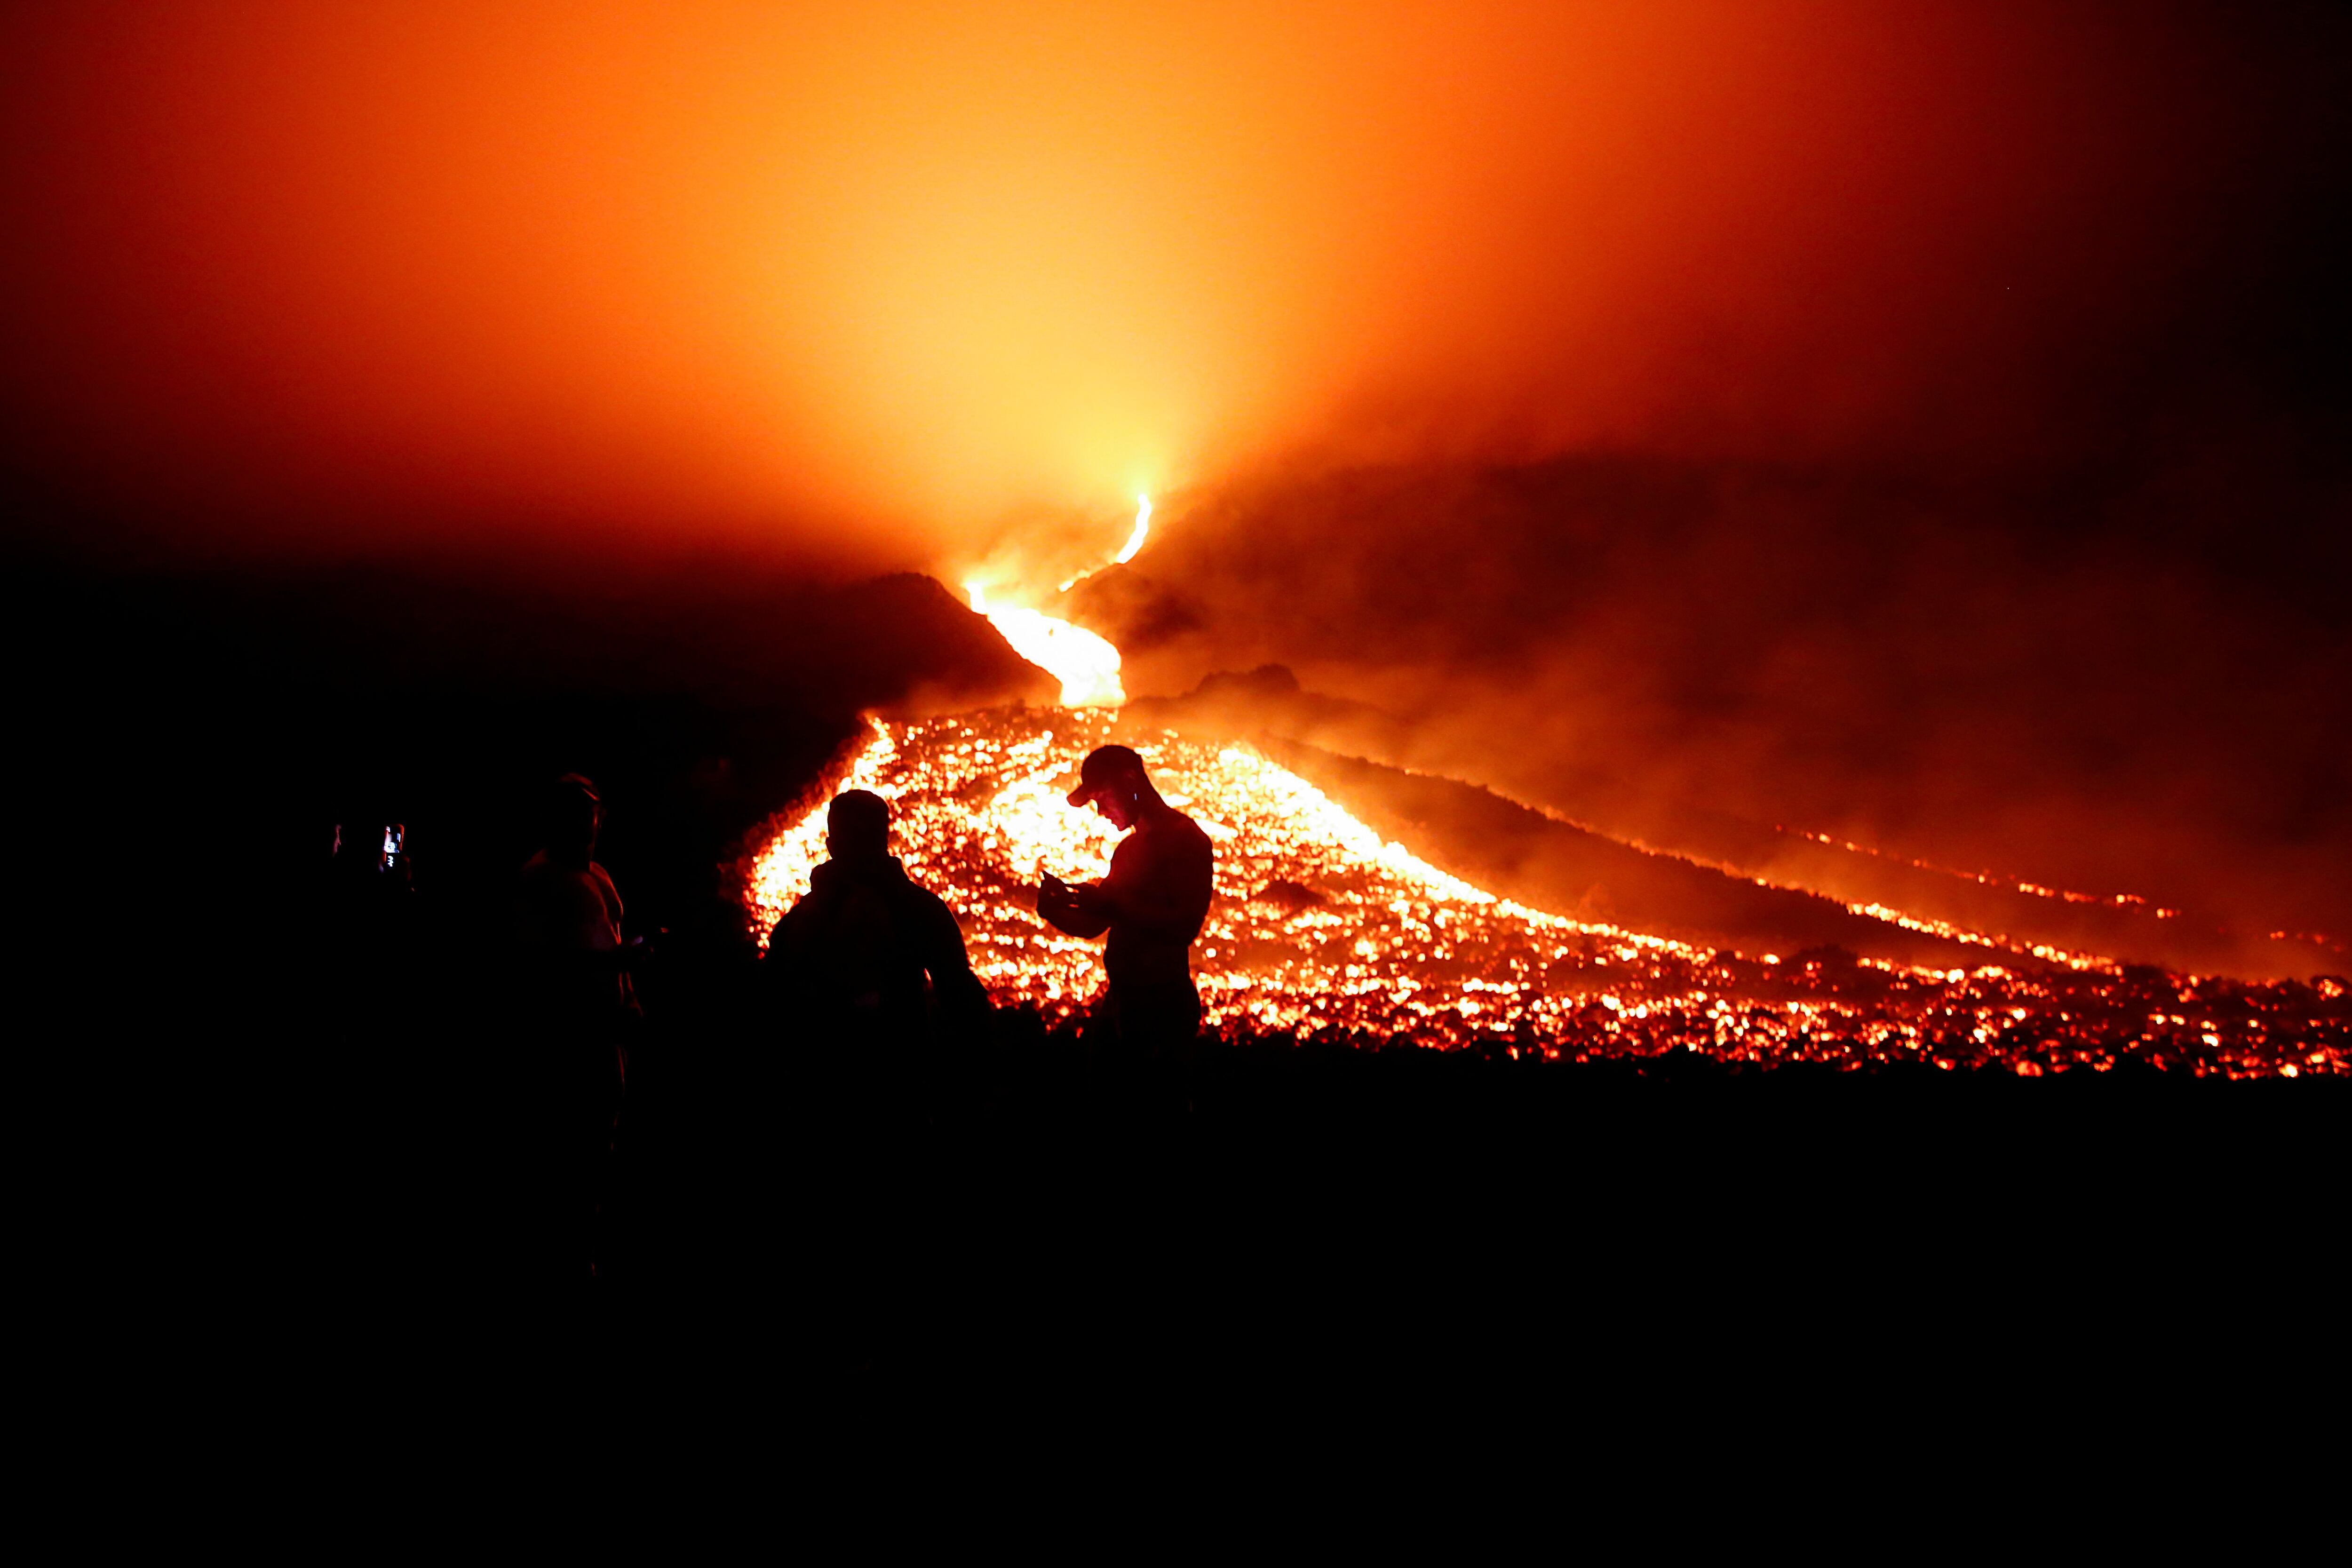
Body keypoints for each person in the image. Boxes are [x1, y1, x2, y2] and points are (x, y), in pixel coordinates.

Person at [766, 789, 991, 1069]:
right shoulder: (922, 910)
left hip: (822, 1075)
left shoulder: (801, 922)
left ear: (831, 845)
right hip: (902, 1073)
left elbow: (770, 1001)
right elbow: (963, 1001)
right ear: (884, 839)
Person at [513, 772, 634, 1278]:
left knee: (600, 1148)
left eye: (590, 817)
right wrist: (613, 969)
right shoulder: (541, 880)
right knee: (567, 1153)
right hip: (567, 1040)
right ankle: (561, 1262)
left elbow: (609, 941)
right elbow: (536, 965)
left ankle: (584, 1251)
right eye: (573, 817)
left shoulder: (596, 873)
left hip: (607, 1032)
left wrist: (629, 991)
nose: (585, 826)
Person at [1037, 745, 1215, 1072]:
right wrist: (1056, 908)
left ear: (1131, 780)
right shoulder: (1129, 849)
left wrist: (1111, 904)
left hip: (1162, 1008)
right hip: (1122, 1004)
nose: (1101, 811)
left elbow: (1184, 926)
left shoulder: (1185, 840)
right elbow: (1096, 924)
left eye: (1102, 798)